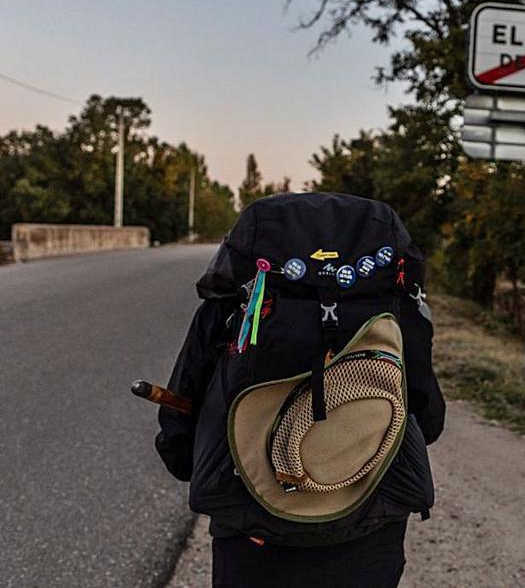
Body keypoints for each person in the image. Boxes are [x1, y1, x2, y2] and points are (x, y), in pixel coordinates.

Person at [154, 193, 445, 587]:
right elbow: (428, 418)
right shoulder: (395, 307)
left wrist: (187, 459)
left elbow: (182, 411)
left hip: (254, 527)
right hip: (369, 526)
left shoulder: (233, 306)